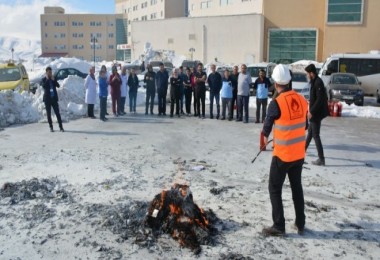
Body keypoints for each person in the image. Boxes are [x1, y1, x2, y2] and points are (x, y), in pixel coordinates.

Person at [261, 64, 309, 237]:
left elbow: (266, 130)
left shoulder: (276, 103)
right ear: (289, 81)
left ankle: (279, 226)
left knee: (274, 188)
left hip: (282, 155)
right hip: (298, 154)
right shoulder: (302, 100)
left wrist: (265, 139)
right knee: (297, 188)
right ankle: (300, 223)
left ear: (275, 82)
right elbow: (304, 126)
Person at [305, 64, 329, 166]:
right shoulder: (314, 81)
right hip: (315, 112)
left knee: (315, 135)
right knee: (310, 133)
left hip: (316, 114)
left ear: (311, 73)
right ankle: (301, 151)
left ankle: (321, 159)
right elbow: (316, 98)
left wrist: (312, 111)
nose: (306, 76)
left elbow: (320, 99)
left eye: (307, 73)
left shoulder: (318, 82)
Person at [41, 66, 64, 132]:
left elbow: (58, 86)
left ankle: (61, 127)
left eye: (51, 72)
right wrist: (47, 79)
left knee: (57, 113)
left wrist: (54, 80)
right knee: (49, 114)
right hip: (47, 99)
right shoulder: (44, 79)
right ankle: (51, 127)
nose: (50, 73)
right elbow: (44, 86)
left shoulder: (53, 78)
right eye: (49, 72)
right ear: (46, 73)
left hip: (54, 99)